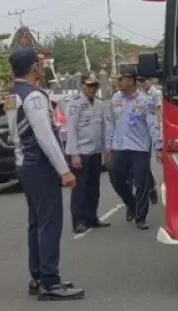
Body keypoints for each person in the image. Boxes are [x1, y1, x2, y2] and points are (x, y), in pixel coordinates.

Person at [5, 47, 85, 301]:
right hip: (39, 166)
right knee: (49, 223)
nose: (40, 66)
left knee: (36, 223)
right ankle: (51, 282)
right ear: (32, 68)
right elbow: (45, 136)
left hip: (23, 165)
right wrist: (64, 170)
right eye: (38, 63)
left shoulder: (12, 96)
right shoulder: (34, 97)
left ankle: (38, 276)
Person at [105, 66, 162, 230]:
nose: (118, 82)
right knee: (115, 178)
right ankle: (131, 204)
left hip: (139, 148)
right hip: (119, 146)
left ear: (130, 81)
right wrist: (108, 146)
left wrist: (158, 146)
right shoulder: (115, 98)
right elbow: (110, 123)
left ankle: (141, 217)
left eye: (121, 79)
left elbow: (153, 125)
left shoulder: (145, 101)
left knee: (141, 183)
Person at [65, 72, 110, 234]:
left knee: (93, 187)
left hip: (95, 151)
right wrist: (74, 154)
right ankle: (78, 221)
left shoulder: (98, 104)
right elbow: (71, 130)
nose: (92, 89)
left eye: (94, 86)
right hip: (81, 152)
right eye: (89, 86)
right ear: (82, 85)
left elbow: (102, 127)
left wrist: (106, 149)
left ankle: (92, 217)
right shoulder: (75, 104)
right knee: (80, 188)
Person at [138, 77, 162, 205]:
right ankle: (149, 186)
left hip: (154, 128)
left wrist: (158, 128)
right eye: (141, 82)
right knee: (143, 163)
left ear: (150, 81)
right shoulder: (141, 95)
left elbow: (158, 111)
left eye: (145, 81)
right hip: (143, 131)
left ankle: (150, 186)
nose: (143, 84)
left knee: (148, 162)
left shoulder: (156, 93)